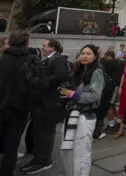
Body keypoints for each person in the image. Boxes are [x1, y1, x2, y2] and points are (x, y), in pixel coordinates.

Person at [21, 39, 71, 175]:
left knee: (46, 133)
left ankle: (44, 161)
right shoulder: (47, 60)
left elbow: (61, 75)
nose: (42, 48)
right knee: (38, 132)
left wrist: (40, 81)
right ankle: (38, 158)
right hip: (41, 103)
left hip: (50, 104)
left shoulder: (58, 59)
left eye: (45, 46)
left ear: (53, 47)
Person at [59, 44, 105, 176]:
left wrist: (73, 95)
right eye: (83, 53)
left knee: (80, 152)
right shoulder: (79, 70)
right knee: (68, 149)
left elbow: (95, 95)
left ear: (95, 56)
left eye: (89, 53)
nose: (84, 56)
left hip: (85, 116)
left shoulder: (97, 72)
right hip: (72, 113)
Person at [0, 31, 40, 176]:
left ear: (10, 42)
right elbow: (37, 85)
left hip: (2, 104)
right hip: (20, 107)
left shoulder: (3, 59)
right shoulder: (32, 60)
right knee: (13, 141)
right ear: (27, 43)